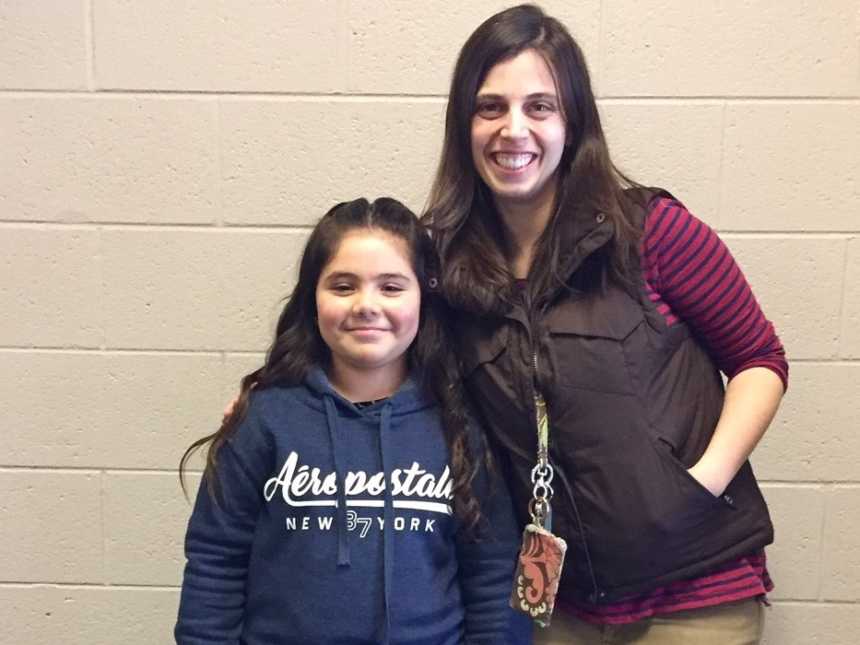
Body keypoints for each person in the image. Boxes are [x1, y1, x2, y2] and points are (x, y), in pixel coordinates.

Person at [422, 4, 787, 644]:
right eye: (490, 107)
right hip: (558, 604)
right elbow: (367, 341)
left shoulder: (651, 232)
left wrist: (699, 486)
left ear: (572, 121)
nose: (514, 130)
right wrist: (269, 392)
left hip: (695, 595)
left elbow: (759, 359)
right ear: (464, 124)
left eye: (540, 106)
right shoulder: (448, 270)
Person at [175, 197, 526, 644]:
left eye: (392, 287)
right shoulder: (266, 418)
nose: (366, 305)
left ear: (424, 296)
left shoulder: (460, 423)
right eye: (343, 286)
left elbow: (492, 576)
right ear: (312, 297)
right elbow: (215, 563)